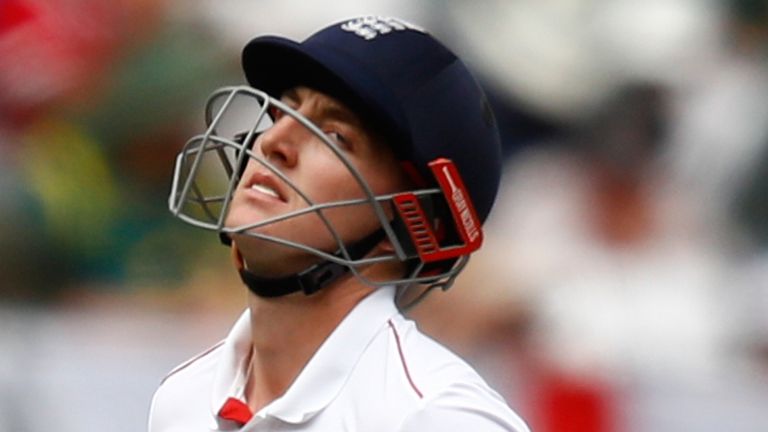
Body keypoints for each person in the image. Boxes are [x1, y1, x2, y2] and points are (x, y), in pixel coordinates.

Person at [149, 15, 530, 432]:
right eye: (282, 112)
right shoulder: (182, 400)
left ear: (407, 224)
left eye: (334, 136)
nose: (272, 143)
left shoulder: (437, 417)